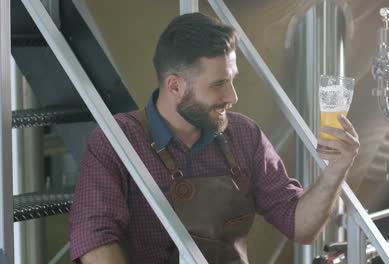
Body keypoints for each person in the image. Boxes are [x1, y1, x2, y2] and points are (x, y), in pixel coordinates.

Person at [69, 12, 359, 264]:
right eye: (219, 84)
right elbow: (95, 241)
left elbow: (300, 226)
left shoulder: (245, 135)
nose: (232, 96)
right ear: (175, 86)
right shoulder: (116, 141)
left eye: (232, 79)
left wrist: (336, 170)